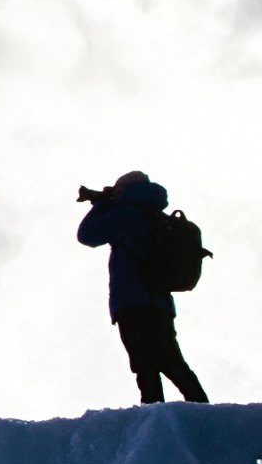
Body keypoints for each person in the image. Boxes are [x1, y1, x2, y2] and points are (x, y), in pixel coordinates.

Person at [74, 172, 209, 404]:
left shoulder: (126, 215)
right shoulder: (157, 216)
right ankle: (201, 410)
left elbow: (87, 235)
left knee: (145, 365)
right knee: (172, 362)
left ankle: (154, 414)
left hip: (132, 302)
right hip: (160, 303)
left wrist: (103, 203)